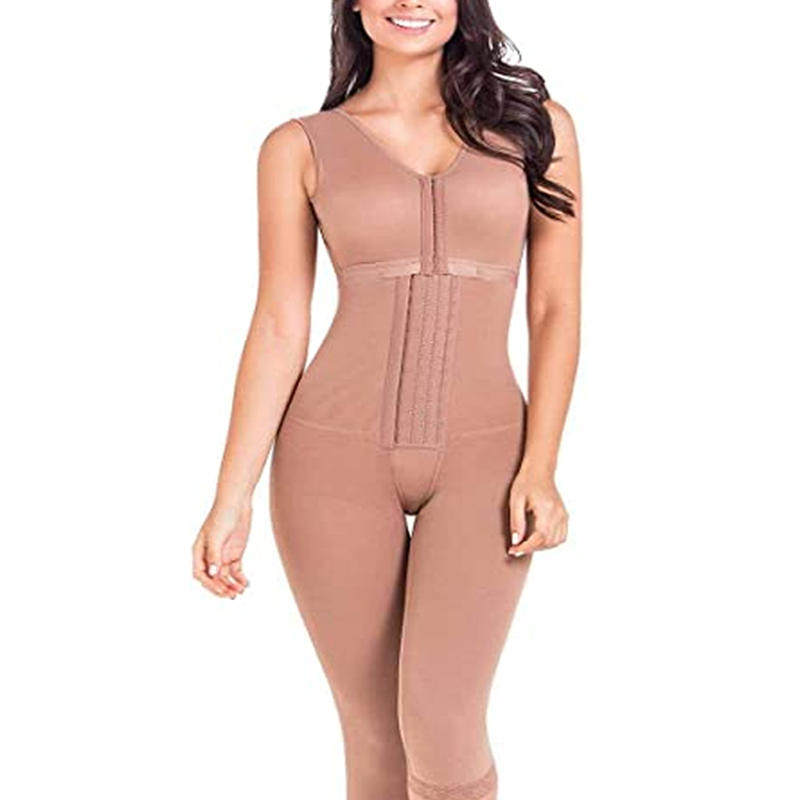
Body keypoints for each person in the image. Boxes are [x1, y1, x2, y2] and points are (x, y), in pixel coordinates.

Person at [192, 1, 581, 798]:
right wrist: (231, 499)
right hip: (330, 459)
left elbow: (554, 308)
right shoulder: (298, 147)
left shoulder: (537, 128)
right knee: (372, 734)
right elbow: (279, 324)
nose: (410, 2)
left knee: (441, 724)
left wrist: (541, 467)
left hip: (487, 459)